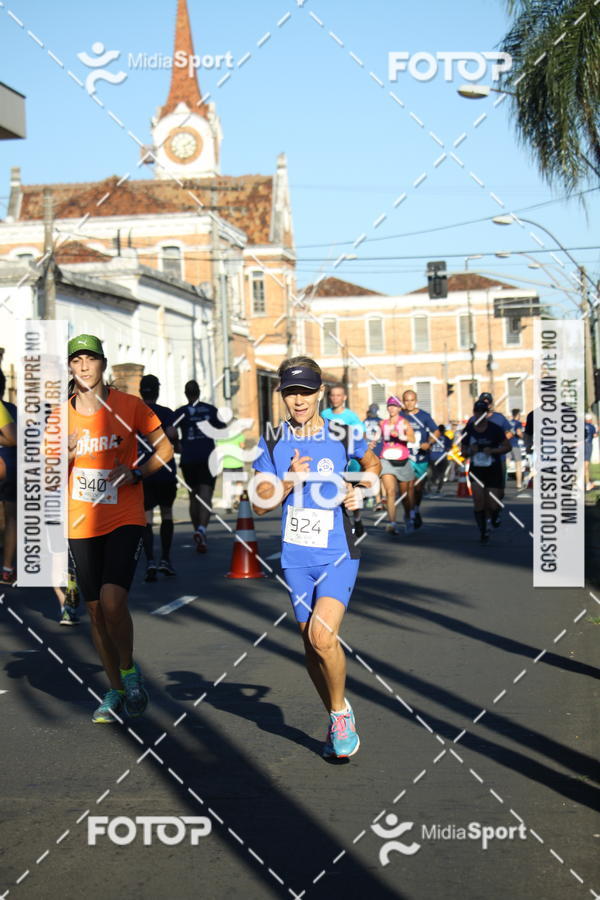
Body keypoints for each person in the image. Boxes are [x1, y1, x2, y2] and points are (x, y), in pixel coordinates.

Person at [251, 357, 380, 759]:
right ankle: (334, 715)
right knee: (311, 647)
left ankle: (341, 715)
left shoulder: (342, 434)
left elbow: (372, 464)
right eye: (290, 392)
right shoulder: (272, 440)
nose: (298, 399)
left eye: (306, 391)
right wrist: (287, 480)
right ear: (282, 396)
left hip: (338, 552)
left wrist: (362, 489)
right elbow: (257, 504)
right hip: (295, 558)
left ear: (320, 392)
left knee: (323, 636)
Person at [67, 334, 174, 723]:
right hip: (80, 520)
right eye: (76, 360)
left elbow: (164, 449)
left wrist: (135, 473)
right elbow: (45, 477)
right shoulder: (59, 417)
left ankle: (128, 671)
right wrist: (65, 454)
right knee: (95, 612)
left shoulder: (129, 406)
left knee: (113, 602)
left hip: (124, 514)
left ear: (103, 365)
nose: (83, 366)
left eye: (89, 360)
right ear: (70, 367)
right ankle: (113, 689)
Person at [174, 380, 226, 553]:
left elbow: (169, 431)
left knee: (193, 496)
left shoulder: (181, 412)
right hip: (207, 457)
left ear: (186, 393)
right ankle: (202, 530)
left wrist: (177, 445)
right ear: (199, 392)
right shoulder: (210, 410)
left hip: (188, 458)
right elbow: (223, 429)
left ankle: (197, 530)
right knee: (205, 494)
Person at [137, 374, 178, 581]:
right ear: (157, 391)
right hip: (165, 471)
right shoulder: (166, 413)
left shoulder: (134, 413)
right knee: (167, 514)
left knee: (147, 518)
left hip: (143, 471)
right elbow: (172, 434)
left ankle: (150, 560)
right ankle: (166, 559)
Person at [461, 400, 511, 543]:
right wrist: (471, 451)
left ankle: (494, 516)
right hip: (476, 470)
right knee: (478, 501)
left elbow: (507, 447)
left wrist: (493, 450)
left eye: (482, 412)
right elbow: (463, 451)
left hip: (493, 468)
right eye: (476, 412)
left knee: (493, 504)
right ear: (474, 413)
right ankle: (483, 531)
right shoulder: (469, 429)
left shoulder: (495, 429)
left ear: (486, 414)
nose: (479, 415)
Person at [321, 383, 366, 538]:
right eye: (332, 395)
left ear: (344, 397)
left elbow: (361, 437)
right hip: (328, 460)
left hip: (349, 461)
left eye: (338, 395)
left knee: (350, 492)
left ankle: (357, 518)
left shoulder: (351, 417)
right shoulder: (324, 414)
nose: (335, 398)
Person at [400, 390, 440, 528]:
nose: (409, 403)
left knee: (418, 488)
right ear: (403, 401)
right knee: (407, 486)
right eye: (406, 400)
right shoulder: (400, 415)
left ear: (416, 401)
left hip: (421, 456)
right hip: (405, 456)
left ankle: (415, 509)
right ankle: (409, 513)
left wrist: (429, 443)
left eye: (411, 400)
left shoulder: (424, 416)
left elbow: (436, 431)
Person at [379, 397, 416, 533]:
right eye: (389, 406)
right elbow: (376, 438)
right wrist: (371, 443)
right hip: (386, 459)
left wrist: (401, 436)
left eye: (394, 406)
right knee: (390, 492)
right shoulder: (382, 423)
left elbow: (412, 439)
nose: (392, 408)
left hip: (402, 461)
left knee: (405, 496)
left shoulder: (404, 423)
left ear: (399, 408)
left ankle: (408, 516)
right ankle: (392, 523)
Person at [0, 376, 17, 584]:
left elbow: (13, 438)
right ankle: (7, 569)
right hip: (13, 468)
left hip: (6, 467)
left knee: (12, 518)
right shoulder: (12, 409)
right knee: (12, 518)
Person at [428, 424, 453, 493]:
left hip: (432, 457)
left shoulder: (432, 437)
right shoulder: (446, 438)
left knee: (433, 473)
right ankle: (439, 488)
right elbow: (449, 448)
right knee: (441, 474)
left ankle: (429, 486)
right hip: (442, 458)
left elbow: (428, 446)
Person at [508, 408, 524, 489]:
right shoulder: (518, 423)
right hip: (515, 445)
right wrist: (522, 437)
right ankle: (518, 484)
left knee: (505, 465)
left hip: (507, 445)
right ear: (517, 415)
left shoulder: (508, 422)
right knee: (518, 464)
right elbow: (519, 432)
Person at [584, 412, 597, 491]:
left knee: (583, 466)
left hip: (581, 445)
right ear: (590, 420)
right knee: (586, 466)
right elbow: (595, 435)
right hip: (588, 445)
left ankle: (586, 482)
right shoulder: (592, 426)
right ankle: (587, 484)